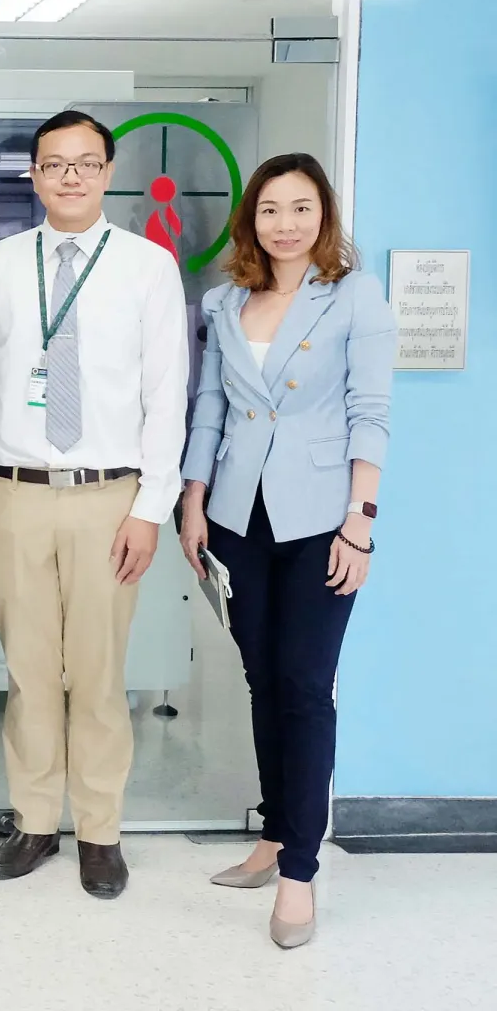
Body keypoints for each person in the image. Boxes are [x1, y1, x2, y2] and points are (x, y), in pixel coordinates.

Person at [0, 110, 187, 899]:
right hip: (14, 492)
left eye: (86, 163)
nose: (71, 177)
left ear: (109, 172)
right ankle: (33, 822)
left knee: (97, 674)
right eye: (54, 164)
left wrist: (150, 509)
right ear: (34, 175)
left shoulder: (148, 267)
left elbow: (167, 395)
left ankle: (99, 831)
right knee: (27, 672)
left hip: (107, 496)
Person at [178, 153, 394, 949]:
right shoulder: (225, 300)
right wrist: (193, 500)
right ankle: (273, 834)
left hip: (322, 521)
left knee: (305, 687)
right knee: (262, 679)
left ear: (323, 215)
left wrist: (360, 521)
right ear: (252, 220)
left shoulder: (355, 296)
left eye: (302, 208)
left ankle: (300, 872)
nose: (286, 223)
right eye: (271, 209)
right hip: (238, 518)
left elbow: (371, 412)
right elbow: (209, 407)